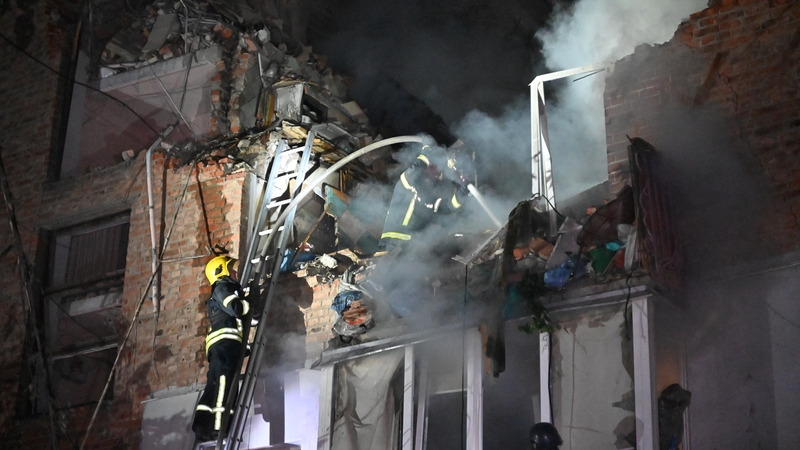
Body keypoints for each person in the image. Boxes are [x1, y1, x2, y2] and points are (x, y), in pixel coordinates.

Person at [376, 142, 475, 256]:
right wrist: (427, 153)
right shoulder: (407, 183)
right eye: (433, 165)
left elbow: (449, 207)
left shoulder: (431, 198)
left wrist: (463, 192)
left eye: (438, 168)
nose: (436, 170)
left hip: (412, 249)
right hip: (391, 245)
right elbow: (415, 168)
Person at [192, 255, 250, 442]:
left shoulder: (226, 289)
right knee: (224, 383)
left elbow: (239, 318)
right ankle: (219, 426)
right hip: (225, 344)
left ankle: (202, 426)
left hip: (224, 345)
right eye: (232, 269)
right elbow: (235, 308)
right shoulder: (222, 287)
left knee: (214, 385)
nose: (235, 273)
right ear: (221, 271)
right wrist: (250, 302)